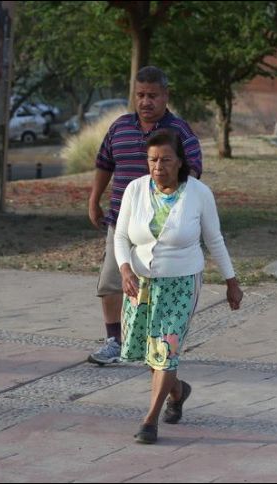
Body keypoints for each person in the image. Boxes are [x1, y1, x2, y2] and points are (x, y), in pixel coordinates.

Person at [114, 128, 243, 444]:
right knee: (149, 353)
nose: (158, 167)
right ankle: (178, 390)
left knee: (165, 350)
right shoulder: (134, 189)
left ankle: (149, 421)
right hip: (140, 283)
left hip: (181, 284)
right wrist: (125, 269)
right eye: (152, 160)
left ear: (181, 161)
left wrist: (231, 281)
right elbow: (120, 237)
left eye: (166, 160)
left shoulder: (199, 194)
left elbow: (214, 239)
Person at [87, 66, 203, 366]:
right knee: (112, 281)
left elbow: (193, 172)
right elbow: (104, 164)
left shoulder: (179, 132)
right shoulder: (120, 127)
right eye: (140, 95)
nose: (145, 102)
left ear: (166, 95)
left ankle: (162, 344)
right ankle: (114, 340)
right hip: (120, 223)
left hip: (162, 228)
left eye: (152, 95)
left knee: (159, 286)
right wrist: (94, 200)